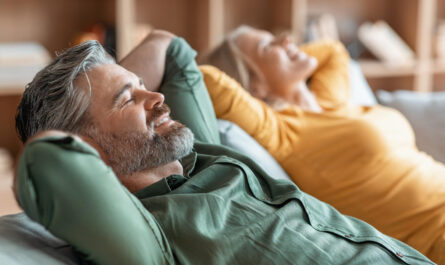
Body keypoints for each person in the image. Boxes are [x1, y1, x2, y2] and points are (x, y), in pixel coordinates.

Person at [13, 30, 434, 265]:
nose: (157, 98)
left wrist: (113, 88)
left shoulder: (204, 157)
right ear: (88, 147)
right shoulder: (149, 236)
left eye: (145, 86)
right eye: (130, 100)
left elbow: (171, 48)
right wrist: (92, 124)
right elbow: (45, 161)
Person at [199, 25, 445, 264]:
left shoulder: (330, 100)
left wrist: (286, 56)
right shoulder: (281, 131)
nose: (286, 39)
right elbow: (207, 78)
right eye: (268, 46)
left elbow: (333, 51)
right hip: (435, 235)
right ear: (254, 84)